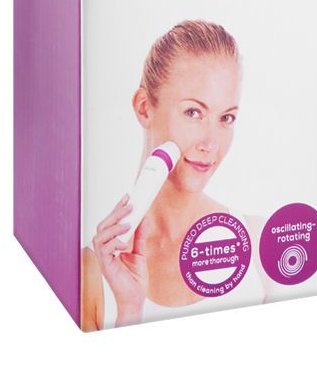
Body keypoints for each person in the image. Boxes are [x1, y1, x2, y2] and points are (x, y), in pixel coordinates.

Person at [80, 20, 271, 329]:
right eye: (193, 112)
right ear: (144, 108)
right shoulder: (93, 271)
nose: (211, 144)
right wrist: (130, 309)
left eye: (226, 118)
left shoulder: (260, 243)